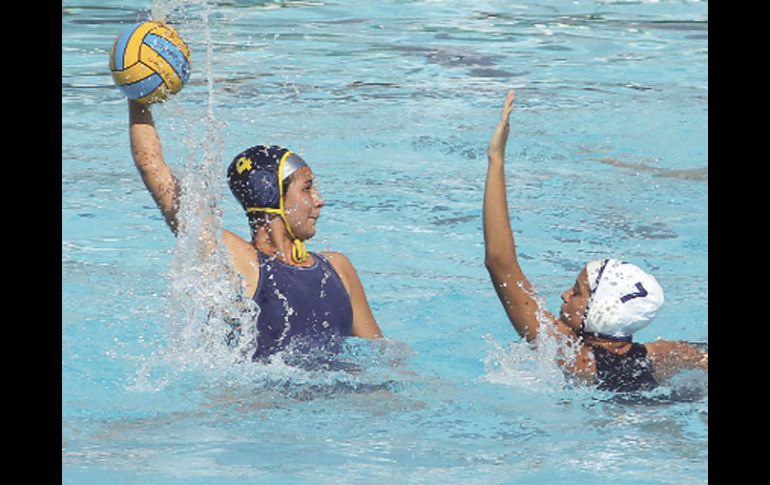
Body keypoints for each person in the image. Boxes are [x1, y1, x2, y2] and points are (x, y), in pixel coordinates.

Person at [482, 90, 707, 392]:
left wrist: (496, 160)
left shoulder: (575, 361)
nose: (564, 295)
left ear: (603, 309)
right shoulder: (661, 356)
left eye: (578, 292)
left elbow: (500, 263)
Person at [127, 99, 383, 363]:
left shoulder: (339, 269)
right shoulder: (243, 266)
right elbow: (151, 167)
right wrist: (137, 99)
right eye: (307, 188)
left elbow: (382, 355)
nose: (319, 200)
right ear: (273, 197)